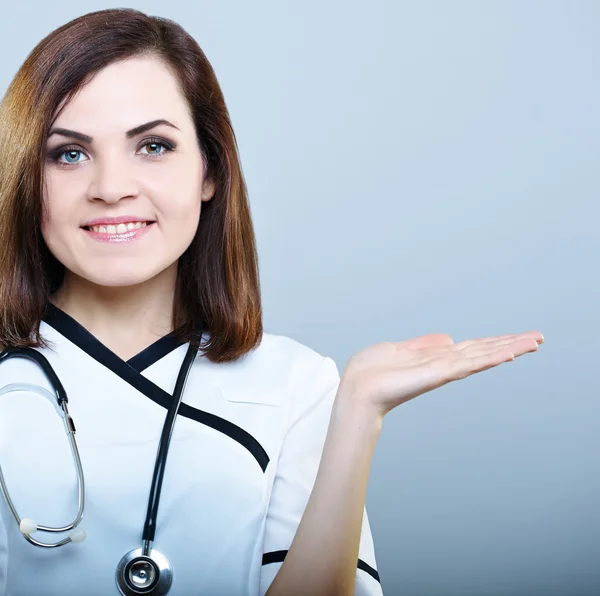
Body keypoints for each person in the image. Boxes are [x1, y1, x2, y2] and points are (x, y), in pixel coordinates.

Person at [0, 8, 544, 596]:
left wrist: (358, 413)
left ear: (209, 171)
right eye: (70, 154)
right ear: (28, 175)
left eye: (153, 146)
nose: (111, 188)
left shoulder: (297, 384)